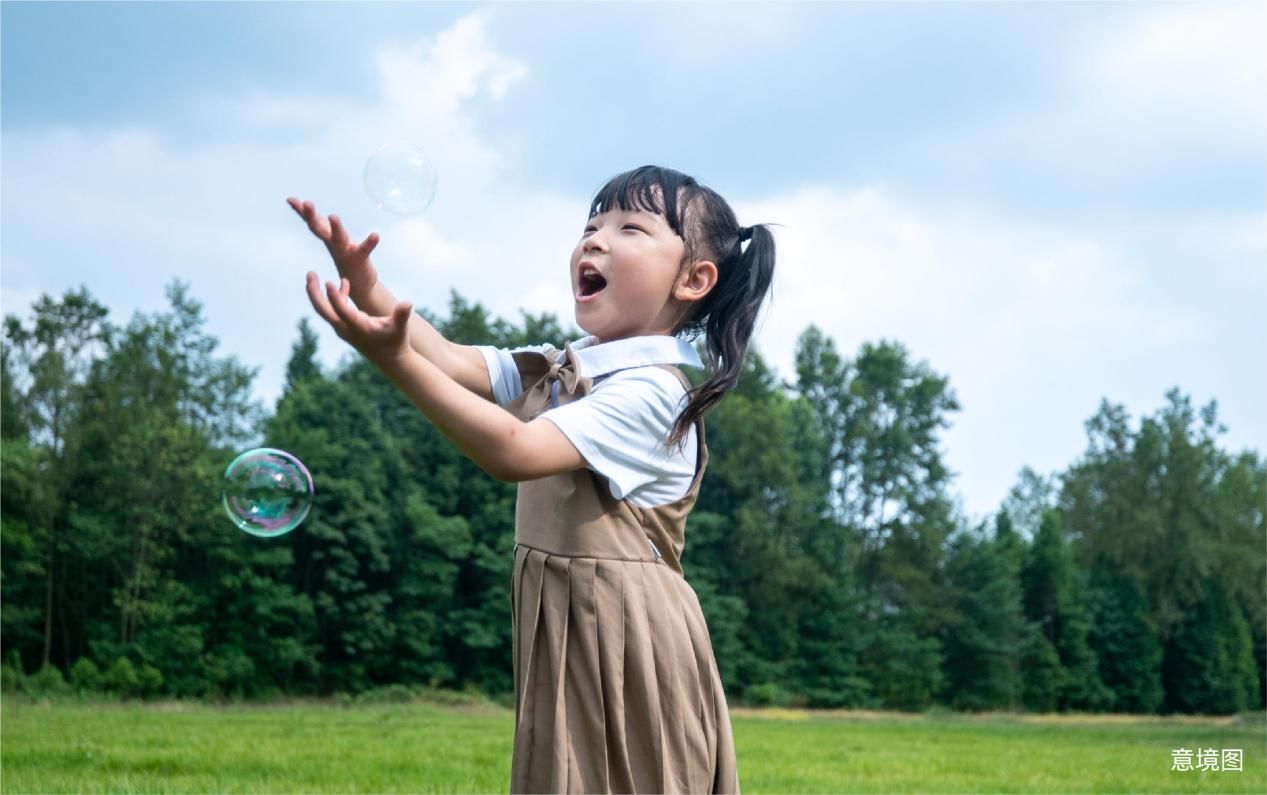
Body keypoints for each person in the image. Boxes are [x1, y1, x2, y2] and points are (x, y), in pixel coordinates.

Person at [289, 164, 774, 794]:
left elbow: (512, 450)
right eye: (591, 225)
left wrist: (392, 360)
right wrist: (369, 287)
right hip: (576, 628)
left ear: (693, 279)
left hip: (630, 641)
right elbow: (453, 360)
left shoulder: (651, 392)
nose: (595, 240)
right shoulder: (563, 370)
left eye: (630, 228)